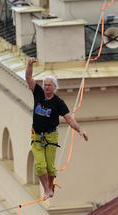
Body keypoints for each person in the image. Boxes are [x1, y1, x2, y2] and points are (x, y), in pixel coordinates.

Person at [25, 57, 88, 199]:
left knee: (50, 168)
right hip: (36, 136)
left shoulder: (58, 103)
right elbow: (28, 77)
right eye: (45, 84)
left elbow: (69, 118)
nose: (47, 87)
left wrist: (80, 130)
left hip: (51, 136)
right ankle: (47, 189)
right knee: (40, 166)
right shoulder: (38, 93)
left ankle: (51, 186)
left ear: (54, 87)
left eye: (49, 85)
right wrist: (29, 65)